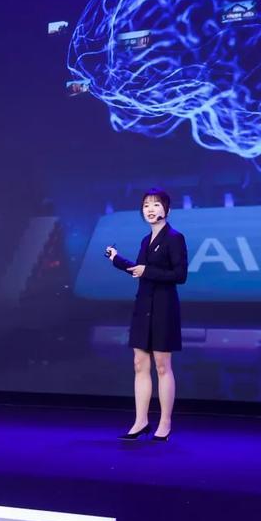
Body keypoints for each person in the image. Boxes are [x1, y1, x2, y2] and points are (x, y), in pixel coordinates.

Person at [105, 188, 188, 442]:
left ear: (167, 210)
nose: (150, 209)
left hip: (164, 306)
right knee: (139, 364)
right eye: (146, 206)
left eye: (156, 205)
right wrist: (117, 259)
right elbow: (139, 270)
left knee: (162, 366)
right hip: (143, 306)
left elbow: (180, 275)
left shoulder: (175, 238)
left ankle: (165, 423)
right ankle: (140, 422)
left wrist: (147, 271)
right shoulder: (145, 240)